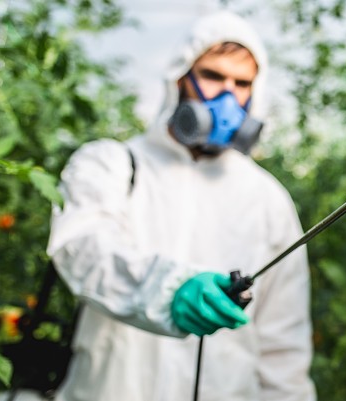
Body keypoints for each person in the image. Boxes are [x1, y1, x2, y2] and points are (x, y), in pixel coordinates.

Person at [46, 10, 316, 401]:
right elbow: (84, 250)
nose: (228, 96)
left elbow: (283, 344)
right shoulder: (112, 165)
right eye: (212, 76)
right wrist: (169, 290)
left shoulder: (267, 198)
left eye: (241, 83)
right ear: (179, 78)